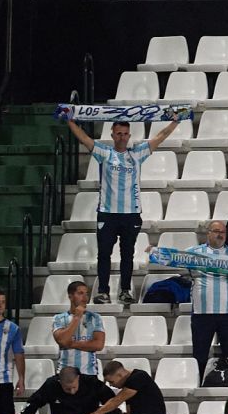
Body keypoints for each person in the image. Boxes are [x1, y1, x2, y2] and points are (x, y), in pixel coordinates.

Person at [66, 113, 180, 305]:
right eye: (118, 133)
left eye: (125, 133)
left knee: (128, 254)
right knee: (104, 253)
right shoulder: (104, 153)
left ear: (129, 135)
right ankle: (103, 291)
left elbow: (160, 136)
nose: (121, 137)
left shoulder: (137, 154)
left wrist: (175, 121)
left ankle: (125, 291)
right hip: (107, 213)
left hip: (131, 214)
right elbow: (84, 138)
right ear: (112, 135)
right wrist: (69, 121)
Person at [185, 219, 228, 376]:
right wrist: (155, 253)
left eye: (223, 232)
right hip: (202, 312)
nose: (220, 235)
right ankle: (198, 383)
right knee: (199, 355)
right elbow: (171, 259)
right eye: (216, 231)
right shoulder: (192, 252)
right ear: (208, 233)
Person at [52, 279, 107, 379]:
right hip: (65, 373)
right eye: (80, 293)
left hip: (89, 374)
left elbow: (98, 345)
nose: (85, 298)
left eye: (86, 294)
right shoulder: (58, 318)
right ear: (70, 296)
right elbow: (63, 340)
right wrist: (77, 317)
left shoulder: (95, 318)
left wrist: (71, 344)